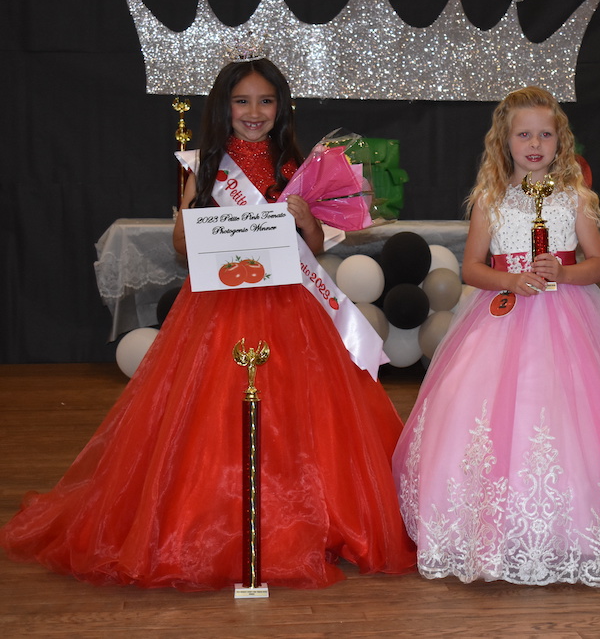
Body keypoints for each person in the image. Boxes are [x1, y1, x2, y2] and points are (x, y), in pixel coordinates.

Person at [0, 57, 415, 590]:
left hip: (289, 306)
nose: (254, 111)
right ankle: (212, 521)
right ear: (224, 107)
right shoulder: (203, 165)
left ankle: (313, 517)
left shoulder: (295, 166)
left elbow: (312, 248)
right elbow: (180, 246)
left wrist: (305, 220)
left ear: (280, 108)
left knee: (298, 413)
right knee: (209, 413)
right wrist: (212, 229)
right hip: (219, 307)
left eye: (266, 101)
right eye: (242, 101)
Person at [392, 86, 600, 587]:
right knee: (488, 418)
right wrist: (509, 279)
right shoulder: (490, 199)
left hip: (568, 318)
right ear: (504, 142)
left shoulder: (575, 197)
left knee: (565, 417)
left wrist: (565, 271)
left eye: (546, 134)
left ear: (561, 141)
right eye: (524, 134)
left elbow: (599, 265)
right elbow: (471, 267)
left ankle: (568, 531)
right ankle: (491, 532)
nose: (535, 143)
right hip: (502, 317)